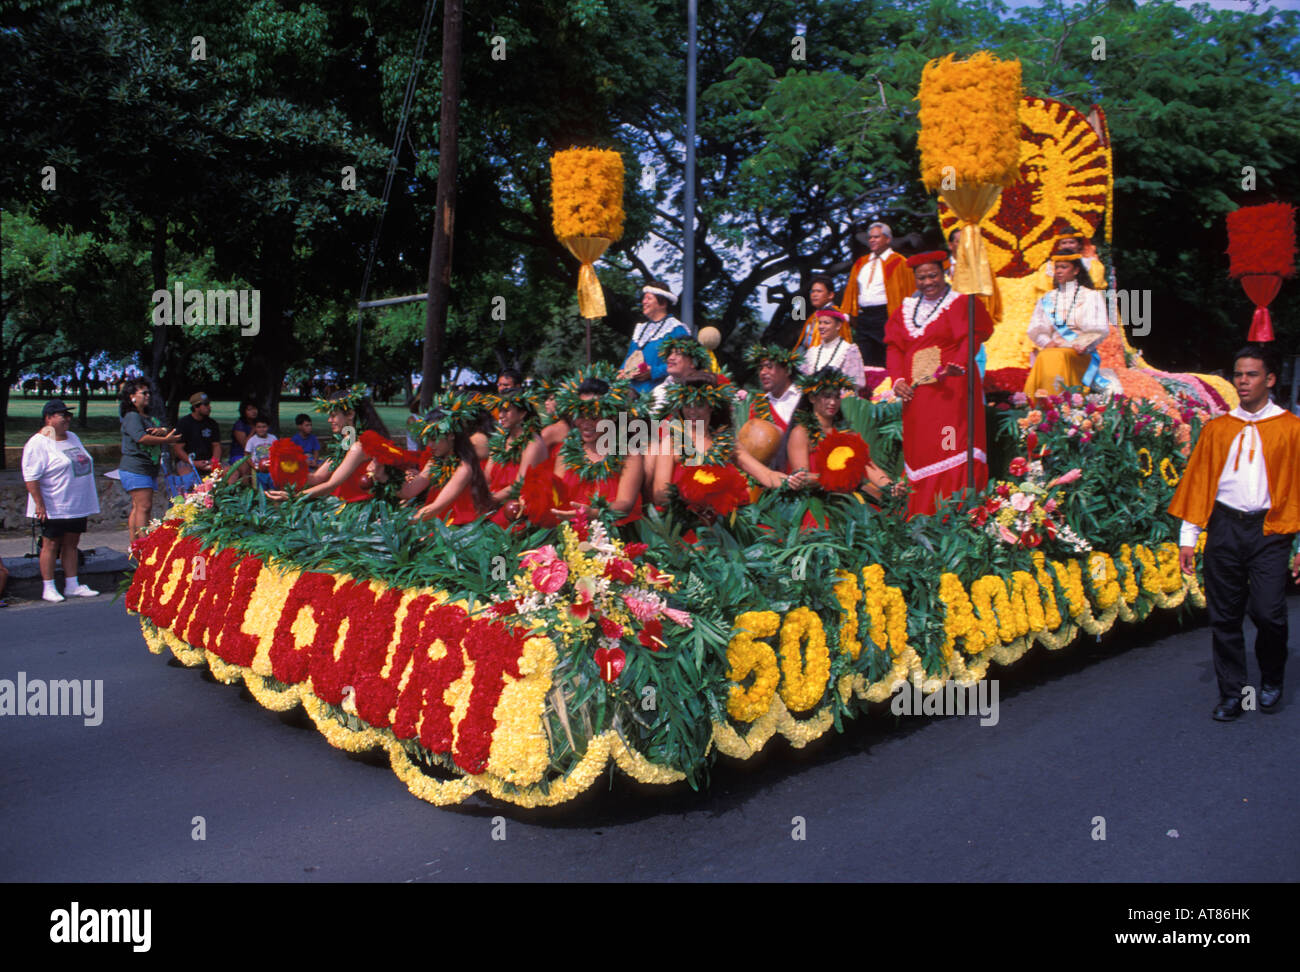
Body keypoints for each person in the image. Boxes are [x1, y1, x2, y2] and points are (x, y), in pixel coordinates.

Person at [1169, 346, 1300, 721]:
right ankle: (1233, 693)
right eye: (1238, 374)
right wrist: (1188, 537)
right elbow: (1199, 484)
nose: (1242, 381)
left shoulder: (1292, 429)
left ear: (1270, 379)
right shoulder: (1217, 429)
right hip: (1225, 526)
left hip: (1269, 530)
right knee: (1224, 617)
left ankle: (1271, 678)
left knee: (1268, 613)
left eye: (1251, 375)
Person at [885, 251, 994, 518]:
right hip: (918, 393)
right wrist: (898, 379)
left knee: (950, 443)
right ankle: (921, 512)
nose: (927, 282)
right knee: (924, 448)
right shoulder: (906, 309)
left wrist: (957, 364)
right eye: (921, 278)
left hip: (951, 389)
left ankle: (951, 511)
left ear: (944, 273)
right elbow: (895, 348)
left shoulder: (959, 303)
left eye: (933, 275)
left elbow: (971, 338)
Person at [653, 371, 808, 503]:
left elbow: (766, 475)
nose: (692, 411)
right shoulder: (671, 442)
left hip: (721, 524)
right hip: (685, 524)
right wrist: (693, 494)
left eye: (699, 404)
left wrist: (788, 481)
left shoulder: (725, 442)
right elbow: (660, 492)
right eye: (687, 405)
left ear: (711, 406)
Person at [22, 399, 101, 601]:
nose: (67, 419)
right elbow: (31, 476)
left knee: (72, 543)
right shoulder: (38, 443)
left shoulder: (72, 437)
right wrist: (39, 503)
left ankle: (72, 584)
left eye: (69, 415)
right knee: (51, 544)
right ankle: (48, 586)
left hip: (76, 503)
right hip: (54, 503)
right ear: (48, 418)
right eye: (62, 415)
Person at [786, 369, 894, 502]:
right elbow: (802, 478)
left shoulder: (848, 434)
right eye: (827, 396)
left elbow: (870, 468)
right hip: (817, 501)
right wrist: (838, 478)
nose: (833, 402)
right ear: (812, 398)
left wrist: (892, 487)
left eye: (837, 397)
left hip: (848, 500)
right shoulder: (801, 433)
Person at [552, 373, 645, 524]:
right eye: (581, 415)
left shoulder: (629, 454)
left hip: (613, 532)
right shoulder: (566, 451)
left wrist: (594, 513)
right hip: (570, 527)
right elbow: (555, 491)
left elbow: (625, 503)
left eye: (594, 416)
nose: (586, 423)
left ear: (613, 417)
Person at [1023, 241, 1111, 399]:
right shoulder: (1048, 299)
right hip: (1054, 348)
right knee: (1045, 355)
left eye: (1064, 267)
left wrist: (1083, 344)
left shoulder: (1091, 296)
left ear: (1076, 270)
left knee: (1059, 356)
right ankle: (1041, 405)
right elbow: (1037, 328)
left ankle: (1061, 404)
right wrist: (1046, 342)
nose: (1059, 271)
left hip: (1080, 352)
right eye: (1057, 267)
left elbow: (1097, 328)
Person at [402, 394, 495, 523]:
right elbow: (409, 491)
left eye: (434, 439)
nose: (429, 445)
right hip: (437, 518)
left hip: (461, 526)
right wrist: (383, 474)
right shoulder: (435, 461)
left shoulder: (464, 467)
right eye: (427, 440)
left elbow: (437, 507)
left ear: (451, 435)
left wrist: (401, 523)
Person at [839, 221, 915, 368]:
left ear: (888, 239)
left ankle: (888, 390)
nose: (872, 240)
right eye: (870, 238)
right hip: (864, 317)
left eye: (876, 237)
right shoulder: (861, 263)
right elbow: (851, 290)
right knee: (865, 361)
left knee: (888, 359)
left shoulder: (900, 262)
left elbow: (910, 292)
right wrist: (848, 313)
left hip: (886, 315)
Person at [118, 380, 181, 540]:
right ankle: (143, 543)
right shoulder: (132, 416)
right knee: (144, 507)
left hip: (147, 468)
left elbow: (161, 428)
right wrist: (166, 440)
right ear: (132, 396)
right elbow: (141, 438)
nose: (148, 396)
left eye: (148, 393)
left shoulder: (146, 416)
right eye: (143, 393)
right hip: (136, 468)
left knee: (138, 507)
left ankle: (135, 544)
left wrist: (162, 431)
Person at [740, 343, 804, 474]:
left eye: (769, 367)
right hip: (770, 480)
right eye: (760, 368)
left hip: (802, 478)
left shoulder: (804, 400)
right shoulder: (758, 405)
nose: (763, 372)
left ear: (787, 370)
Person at [617, 283, 690, 396]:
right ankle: (623, 415)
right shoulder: (641, 329)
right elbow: (630, 356)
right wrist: (622, 372)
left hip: (659, 391)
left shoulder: (676, 329)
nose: (643, 302)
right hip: (631, 389)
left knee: (628, 401)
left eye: (648, 298)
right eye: (644, 298)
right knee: (621, 404)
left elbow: (684, 362)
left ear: (663, 303)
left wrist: (653, 372)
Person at [799, 308, 866, 393]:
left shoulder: (849, 350)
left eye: (826, 323)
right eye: (820, 323)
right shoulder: (812, 352)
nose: (821, 326)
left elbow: (856, 383)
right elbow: (801, 380)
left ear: (838, 326)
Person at [1031, 228, 1106, 294]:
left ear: (1079, 245)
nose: (1067, 246)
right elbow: (1045, 292)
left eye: (1071, 242)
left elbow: (1096, 288)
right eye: (1064, 243)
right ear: (1059, 246)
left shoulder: (1091, 264)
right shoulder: (1048, 267)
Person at [791, 274, 846, 352]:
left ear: (830, 295)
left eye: (819, 291)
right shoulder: (815, 314)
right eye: (812, 291)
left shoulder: (837, 316)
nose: (814, 295)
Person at [173, 392, 222, 477]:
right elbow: (178, 449)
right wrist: (194, 463)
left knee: (231, 472)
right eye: (206, 405)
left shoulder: (212, 423)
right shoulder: (184, 423)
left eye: (209, 404)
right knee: (188, 477)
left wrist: (214, 462)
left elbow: (216, 446)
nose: (209, 407)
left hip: (208, 460)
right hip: (188, 461)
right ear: (196, 407)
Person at [244, 417, 278, 489]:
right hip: (258, 470)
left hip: (271, 469)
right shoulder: (252, 440)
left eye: (264, 427)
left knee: (273, 486)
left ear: (268, 427)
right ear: (255, 428)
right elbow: (246, 455)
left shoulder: (273, 438)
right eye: (259, 427)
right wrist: (254, 466)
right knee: (260, 489)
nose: (261, 429)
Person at [228, 399, 262, 466]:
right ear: (244, 412)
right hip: (240, 455)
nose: (253, 412)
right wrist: (254, 430)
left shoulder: (261, 424)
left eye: (255, 409)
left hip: (258, 454)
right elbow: (245, 445)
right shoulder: (239, 425)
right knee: (245, 464)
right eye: (249, 410)